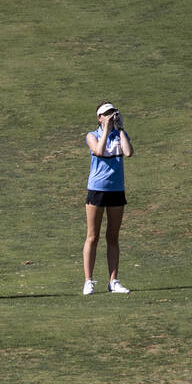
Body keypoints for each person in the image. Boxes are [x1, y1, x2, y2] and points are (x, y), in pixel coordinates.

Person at [83, 101, 134, 295]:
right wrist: (105, 129)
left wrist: (120, 130)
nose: (111, 116)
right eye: (107, 113)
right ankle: (88, 281)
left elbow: (128, 153)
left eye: (113, 112)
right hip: (97, 190)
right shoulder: (92, 135)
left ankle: (113, 281)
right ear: (99, 118)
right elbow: (99, 150)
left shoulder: (120, 135)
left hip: (116, 190)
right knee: (93, 236)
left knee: (113, 237)